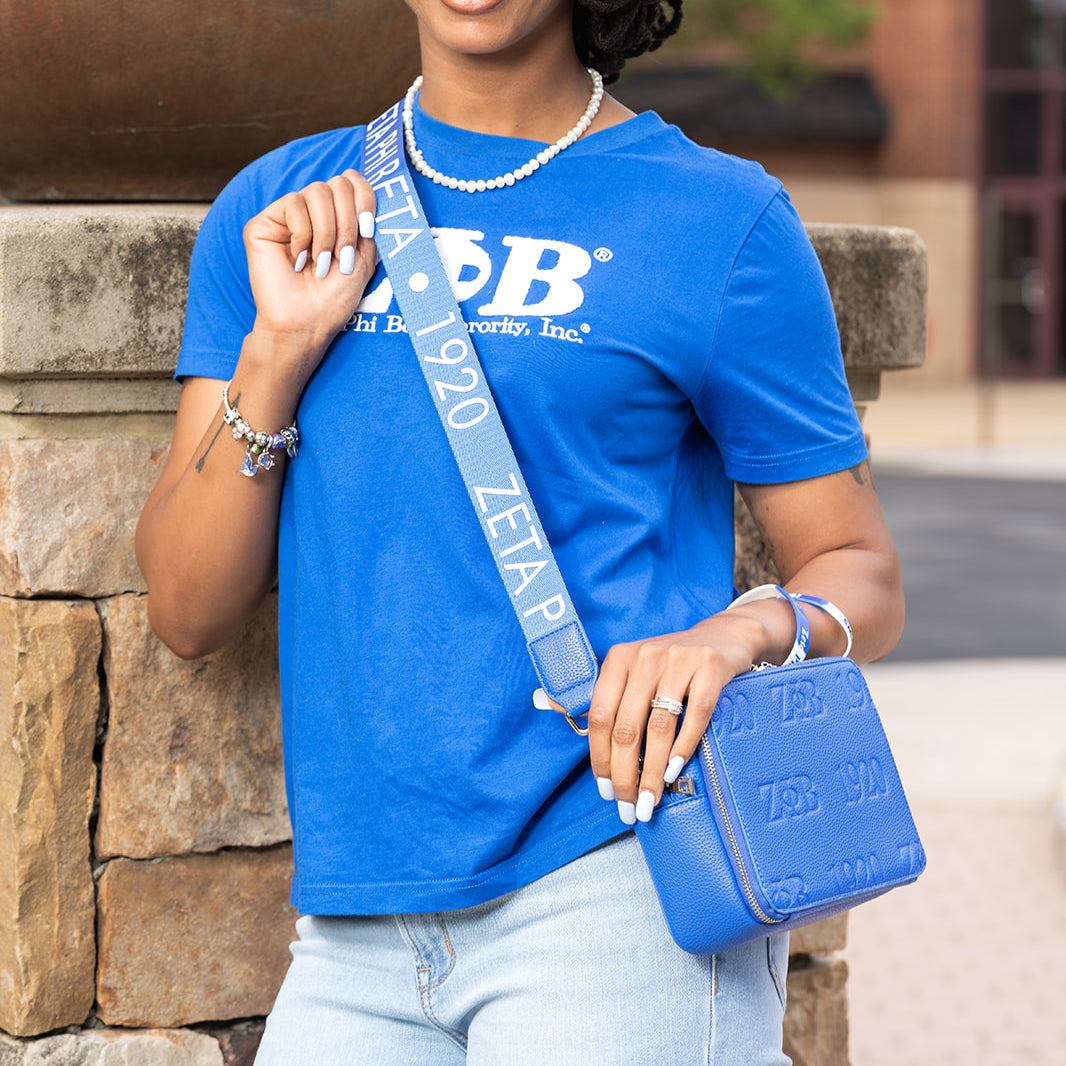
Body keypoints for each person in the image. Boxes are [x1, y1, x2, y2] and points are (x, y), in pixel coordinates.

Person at [136, 0, 904, 1061]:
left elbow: (858, 567)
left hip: (618, 878)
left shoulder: (716, 219)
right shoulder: (279, 208)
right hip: (358, 918)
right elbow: (185, 608)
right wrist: (277, 350)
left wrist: (735, 634)